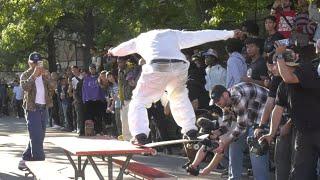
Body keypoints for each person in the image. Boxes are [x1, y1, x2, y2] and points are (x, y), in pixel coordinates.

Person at [108, 29, 241, 144]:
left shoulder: (141, 39)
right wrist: (229, 33)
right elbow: (200, 35)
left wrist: (112, 51)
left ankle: (140, 135)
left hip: (157, 66)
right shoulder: (172, 34)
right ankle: (190, 129)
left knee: (139, 100)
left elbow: (122, 49)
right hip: (180, 65)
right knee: (179, 95)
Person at [260, 43, 320, 180]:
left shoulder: (306, 69)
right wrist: (271, 133)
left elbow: (289, 77)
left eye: (277, 62)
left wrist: (280, 54)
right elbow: (278, 109)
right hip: (303, 133)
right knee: (300, 174)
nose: (274, 67)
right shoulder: (282, 86)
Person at [210, 82, 269, 180]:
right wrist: (218, 132)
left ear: (225, 95)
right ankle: (234, 178)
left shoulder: (237, 97)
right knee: (234, 142)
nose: (217, 104)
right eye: (215, 102)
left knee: (255, 144)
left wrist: (224, 142)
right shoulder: (226, 100)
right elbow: (226, 122)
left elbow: (242, 126)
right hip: (251, 116)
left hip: (265, 113)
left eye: (218, 101)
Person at [18, 52, 56, 170]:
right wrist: (34, 75)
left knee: (39, 136)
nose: (36, 65)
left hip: (43, 108)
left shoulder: (45, 74)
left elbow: (53, 87)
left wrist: (47, 76)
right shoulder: (26, 74)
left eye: (38, 62)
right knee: (36, 136)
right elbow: (25, 87)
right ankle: (40, 164)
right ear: (29, 63)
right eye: (34, 62)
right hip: (32, 108)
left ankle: (25, 158)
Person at [82, 64, 105, 135]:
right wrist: (84, 99)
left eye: (93, 69)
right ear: (89, 70)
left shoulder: (99, 77)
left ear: (95, 69)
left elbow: (103, 88)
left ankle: (99, 130)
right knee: (90, 117)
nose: (92, 70)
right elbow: (84, 90)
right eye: (90, 69)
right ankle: (91, 131)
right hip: (89, 100)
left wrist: (103, 97)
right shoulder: (86, 79)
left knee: (98, 116)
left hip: (98, 100)